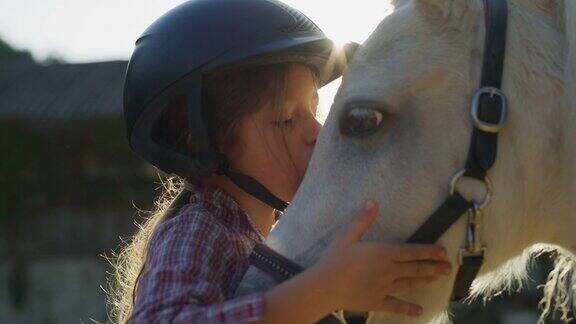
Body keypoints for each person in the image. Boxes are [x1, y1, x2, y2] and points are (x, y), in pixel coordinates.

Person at [109, 0, 452, 323]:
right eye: (287, 119)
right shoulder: (200, 230)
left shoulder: (286, 234)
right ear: (208, 143)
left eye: (314, 110)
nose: (317, 132)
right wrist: (327, 289)